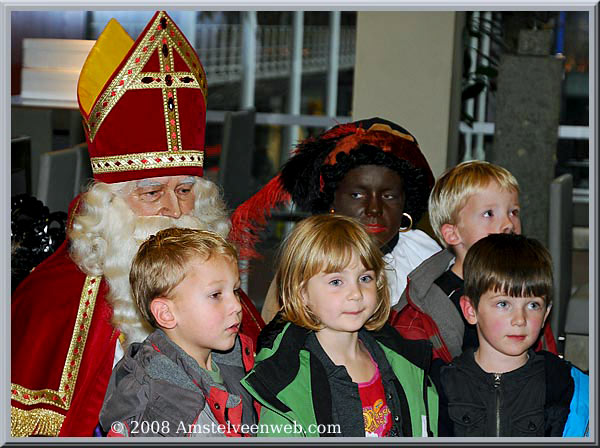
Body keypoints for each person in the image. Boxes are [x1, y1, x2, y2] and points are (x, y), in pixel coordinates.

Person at [11, 11, 264, 437]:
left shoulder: (224, 291)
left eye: (185, 190)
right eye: (151, 193)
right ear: (108, 204)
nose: (173, 209)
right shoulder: (51, 298)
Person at [241, 214, 439, 437]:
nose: (355, 293)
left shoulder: (404, 365)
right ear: (302, 292)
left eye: (365, 278)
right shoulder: (285, 382)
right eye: (336, 282)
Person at [231, 117, 441, 323]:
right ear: (331, 201)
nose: (374, 209)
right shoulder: (308, 264)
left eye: (389, 196)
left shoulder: (428, 258)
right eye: (357, 195)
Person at [390, 161, 556, 363]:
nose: (508, 225)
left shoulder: (523, 285)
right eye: (489, 214)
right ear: (453, 233)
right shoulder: (424, 309)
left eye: (513, 212)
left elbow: (547, 359)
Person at [100, 228, 257, 437]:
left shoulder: (238, 361)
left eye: (235, 291)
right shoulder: (157, 396)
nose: (236, 306)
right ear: (166, 313)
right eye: (216, 294)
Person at [437, 233, 589, 437]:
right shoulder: (442, 385)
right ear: (471, 310)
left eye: (533, 305)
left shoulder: (563, 385)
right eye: (503, 304)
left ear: (546, 314)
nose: (520, 319)